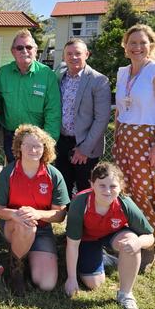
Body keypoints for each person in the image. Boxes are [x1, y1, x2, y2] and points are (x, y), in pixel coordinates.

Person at [112, 24, 155, 266]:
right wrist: (117, 138)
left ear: (151, 45)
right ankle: (129, 240)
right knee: (126, 193)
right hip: (126, 141)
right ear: (125, 46)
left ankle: (148, 248)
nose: (137, 47)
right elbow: (121, 109)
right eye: (132, 43)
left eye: (143, 42)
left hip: (149, 140)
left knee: (147, 194)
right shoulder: (123, 73)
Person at [64, 162, 154, 309]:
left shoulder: (125, 203)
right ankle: (106, 258)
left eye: (113, 186)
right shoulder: (80, 203)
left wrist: (137, 243)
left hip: (112, 236)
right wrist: (71, 279)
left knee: (131, 239)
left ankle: (126, 295)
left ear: (121, 186)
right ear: (92, 184)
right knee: (93, 283)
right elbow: (72, 244)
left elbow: (150, 236)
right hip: (87, 239)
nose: (107, 191)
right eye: (102, 185)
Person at [0, 124, 69, 295]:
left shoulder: (53, 174)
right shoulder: (8, 172)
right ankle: (16, 270)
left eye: (38, 146)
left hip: (42, 230)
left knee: (46, 283)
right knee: (26, 225)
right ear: (19, 147)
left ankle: (26, 256)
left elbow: (60, 214)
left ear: (45, 148)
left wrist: (38, 213)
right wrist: (16, 214)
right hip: (14, 226)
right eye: (28, 145)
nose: (33, 150)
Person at [54, 39, 111, 197]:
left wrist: (84, 149)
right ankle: (67, 220)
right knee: (62, 188)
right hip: (62, 142)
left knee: (85, 191)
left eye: (78, 53)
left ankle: (85, 221)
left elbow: (102, 119)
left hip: (86, 146)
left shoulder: (99, 81)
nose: (73, 57)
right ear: (64, 57)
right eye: (69, 54)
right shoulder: (59, 74)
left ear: (87, 54)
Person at [0, 29, 61, 163]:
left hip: (38, 138)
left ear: (36, 50)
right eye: (20, 48)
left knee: (36, 176)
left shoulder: (47, 74)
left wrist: (48, 142)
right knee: (14, 174)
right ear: (13, 52)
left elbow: (53, 111)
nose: (25, 50)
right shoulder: (3, 73)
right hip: (11, 136)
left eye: (29, 47)